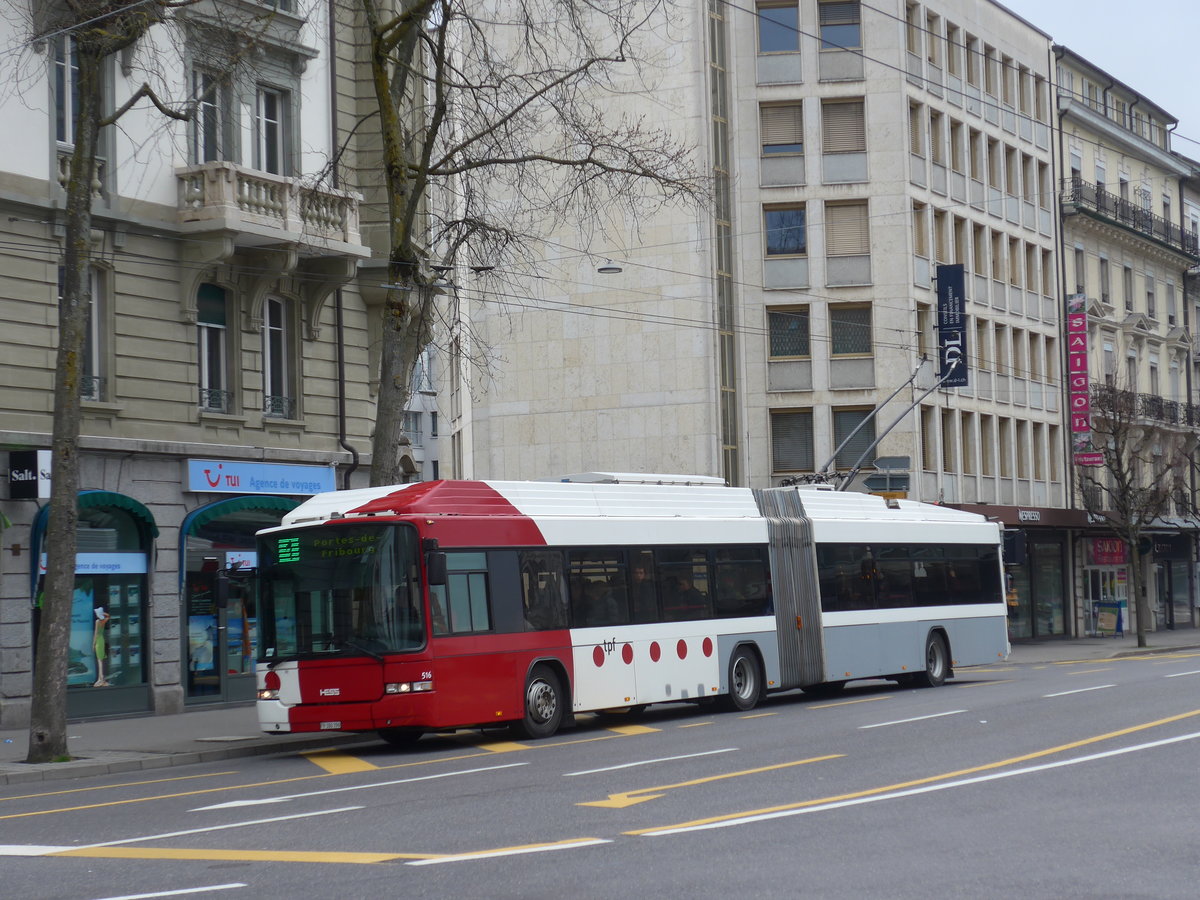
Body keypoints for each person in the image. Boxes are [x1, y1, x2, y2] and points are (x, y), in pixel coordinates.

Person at [93, 604, 112, 687]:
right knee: (101, 660)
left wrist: (93, 644)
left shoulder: (97, 622)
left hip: (98, 640)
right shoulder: (103, 621)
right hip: (102, 640)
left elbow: (96, 633)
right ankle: (100, 678)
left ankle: (101, 679)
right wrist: (104, 613)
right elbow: (109, 616)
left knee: (99, 660)